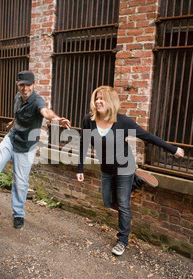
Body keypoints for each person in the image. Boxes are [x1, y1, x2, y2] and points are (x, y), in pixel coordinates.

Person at [76, 86, 184, 256]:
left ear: (110, 101)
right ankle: (137, 181)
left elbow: (147, 137)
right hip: (106, 169)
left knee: (124, 205)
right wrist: (80, 168)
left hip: (124, 168)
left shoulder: (123, 122)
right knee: (107, 201)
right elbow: (83, 143)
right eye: (96, 98)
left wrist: (173, 149)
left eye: (102, 98)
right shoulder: (88, 120)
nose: (98, 101)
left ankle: (122, 240)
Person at [0, 71, 71, 229]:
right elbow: (19, 114)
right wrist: (13, 123)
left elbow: (45, 111)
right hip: (11, 139)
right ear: (18, 85)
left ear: (34, 85)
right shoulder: (17, 97)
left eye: (28, 85)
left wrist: (55, 118)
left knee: (20, 182)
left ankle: (18, 213)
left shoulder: (37, 101)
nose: (25, 88)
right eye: (22, 85)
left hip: (26, 147)